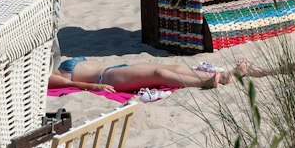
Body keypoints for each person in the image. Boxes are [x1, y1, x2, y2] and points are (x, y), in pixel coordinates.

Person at [50, 56, 249, 93]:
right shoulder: (42, 76)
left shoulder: (50, 62)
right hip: (106, 78)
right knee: (159, 73)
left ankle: (222, 76)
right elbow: (71, 86)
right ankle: (204, 83)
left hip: (114, 69)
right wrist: (95, 87)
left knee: (175, 68)